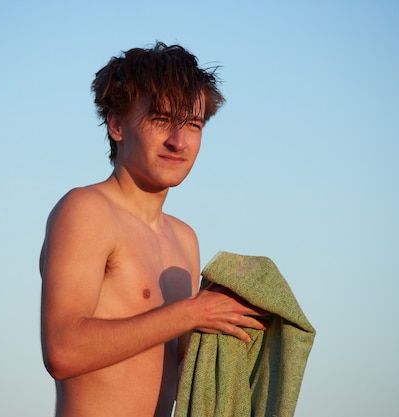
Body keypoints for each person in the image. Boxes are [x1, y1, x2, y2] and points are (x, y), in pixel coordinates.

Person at [39, 42, 266, 417]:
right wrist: (192, 313)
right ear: (116, 125)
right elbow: (63, 351)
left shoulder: (184, 238)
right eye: (161, 119)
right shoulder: (85, 210)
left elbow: (180, 378)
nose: (179, 141)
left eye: (192, 124)